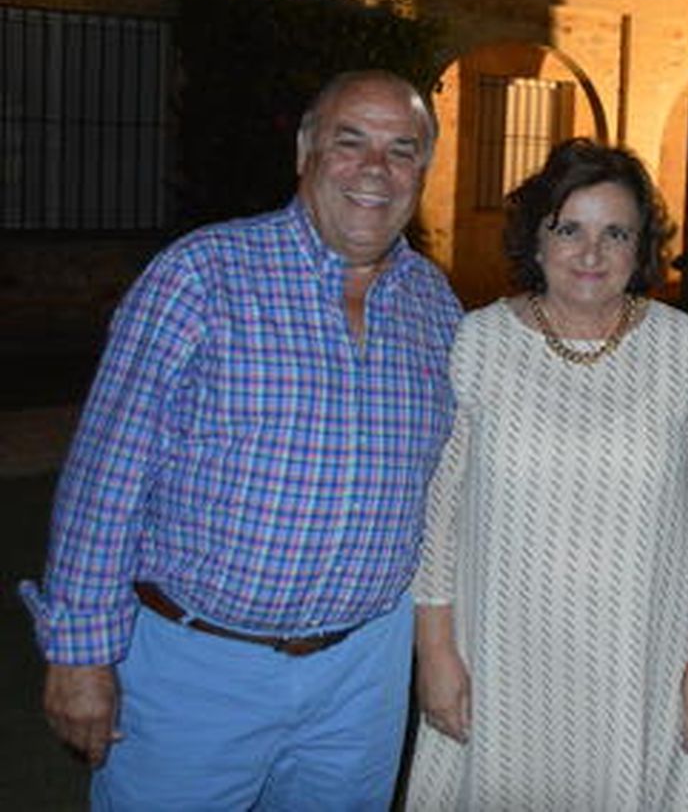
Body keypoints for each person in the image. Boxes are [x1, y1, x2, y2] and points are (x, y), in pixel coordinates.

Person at [20, 70, 463, 809]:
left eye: (402, 149)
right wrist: (79, 654)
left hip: (363, 676)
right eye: (349, 142)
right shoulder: (202, 275)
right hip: (195, 668)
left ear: (424, 168)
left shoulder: (437, 306)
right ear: (304, 151)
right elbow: (108, 477)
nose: (375, 170)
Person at [404, 138, 688, 810]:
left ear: (641, 246)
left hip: (636, 659)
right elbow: (436, 516)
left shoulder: (684, 347)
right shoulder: (479, 341)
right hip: (498, 659)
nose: (591, 253)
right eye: (570, 229)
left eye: (615, 232)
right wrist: (435, 653)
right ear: (537, 239)